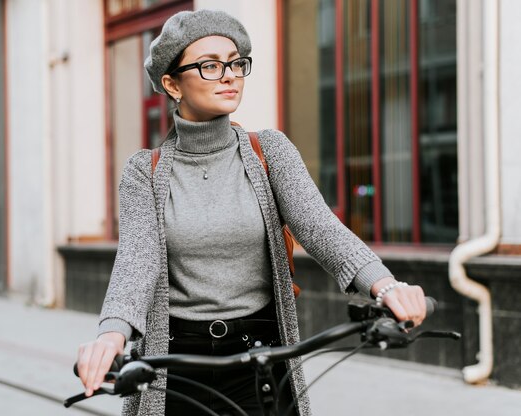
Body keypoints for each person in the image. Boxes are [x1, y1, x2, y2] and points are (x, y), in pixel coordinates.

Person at [77, 9, 427, 416]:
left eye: (235, 62)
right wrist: (110, 336)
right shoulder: (146, 172)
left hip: (260, 355)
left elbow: (320, 229)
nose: (229, 75)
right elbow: (137, 262)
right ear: (172, 84)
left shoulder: (269, 152)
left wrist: (385, 286)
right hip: (175, 363)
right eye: (210, 65)